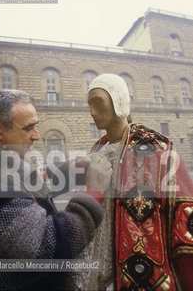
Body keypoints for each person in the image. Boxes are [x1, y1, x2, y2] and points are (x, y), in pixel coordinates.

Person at [71, 74, 193, 291]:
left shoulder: (158, 149)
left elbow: (184, 220)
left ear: (118, 101)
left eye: (98, 103)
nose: (91, 112)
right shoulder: (98, 149)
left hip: (147, 273)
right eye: (89, 105)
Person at [0, 89, 112, 291]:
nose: (36, 135)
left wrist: (76, 167)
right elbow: (50, 243)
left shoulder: (2, 162)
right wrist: (93, 191)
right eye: (28, 128)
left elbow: (36, 180)